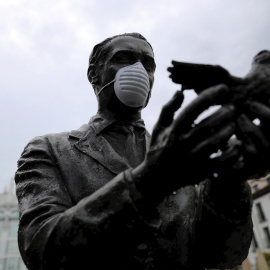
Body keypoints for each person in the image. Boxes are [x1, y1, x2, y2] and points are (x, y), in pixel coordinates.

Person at [15, 33, 270, 270]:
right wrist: (151, 179)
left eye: (148, 64)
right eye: (124, 58)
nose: (139, 70)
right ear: (94, 74)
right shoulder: (49, 150)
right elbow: (40, 249)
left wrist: (229, 183)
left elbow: (226, 256)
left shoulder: (186, 154)